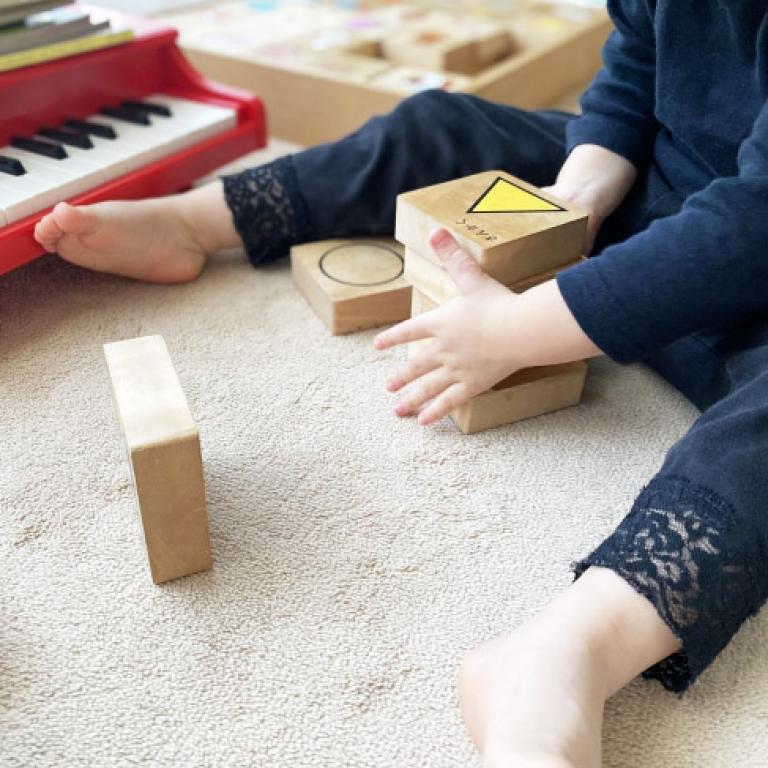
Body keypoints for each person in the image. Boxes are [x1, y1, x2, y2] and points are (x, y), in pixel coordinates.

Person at [34, 1, 768, 765]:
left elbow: (750, 229)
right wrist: (574, 202)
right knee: (439, 126)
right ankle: (200, 220)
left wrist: (514, 331)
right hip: (665, 198)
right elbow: (631, 78)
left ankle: (566, 652)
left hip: (754, 281)